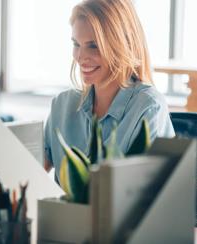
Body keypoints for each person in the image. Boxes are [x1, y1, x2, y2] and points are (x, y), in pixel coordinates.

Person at [43, 0, 175, 176]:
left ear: (122, 45)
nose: (81, 57)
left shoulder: (149, 108)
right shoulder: (62, 105)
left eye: (93, 46)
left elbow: (149, 194)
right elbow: (28, 173)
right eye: (76, 44)